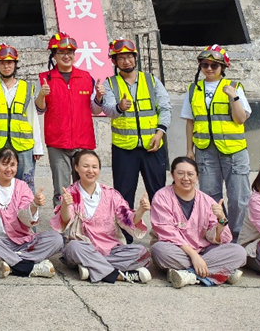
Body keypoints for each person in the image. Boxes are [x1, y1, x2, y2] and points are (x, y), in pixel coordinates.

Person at [93, 38, 171, 235]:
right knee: (123, 196)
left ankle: (164, 236)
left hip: (152, 146)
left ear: (136, 58)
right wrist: (120, 107)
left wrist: (160, 133)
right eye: (121, 58)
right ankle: (125, 238)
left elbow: (165, 108)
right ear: (114, 61)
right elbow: (108, 110)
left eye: (129, 57)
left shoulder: (151, 81)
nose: (126, 61)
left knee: (159, 195)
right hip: (124, 149)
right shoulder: (110, 84)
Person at [182, 45, 251, 240]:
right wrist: (189, 150)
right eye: (205, 65)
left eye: (214, 65)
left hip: (234, 151)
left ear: (223, 67)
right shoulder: (194, 89)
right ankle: (219, 235)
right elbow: (190, 121)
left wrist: (234, 97)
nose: (209, 69)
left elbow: (240, 119)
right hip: (205, 151)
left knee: (238, 198)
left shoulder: (234, 87)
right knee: (210, 196)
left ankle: (239, 238)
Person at [51, 149, 151, 284]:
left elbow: (127, 219)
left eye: (94, 167)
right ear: (76, 167)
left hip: (111, 249)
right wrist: (64, 205)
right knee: (73, 247)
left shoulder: (111, 194)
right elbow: (65, 220)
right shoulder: (71, 193)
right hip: (85, 248)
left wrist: (141, 211)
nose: (90, 171)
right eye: (85, 166)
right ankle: (117, 275)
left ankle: (91, 268)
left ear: (99, 169)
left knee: (142, 252)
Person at [149, 156, 247, 287]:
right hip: (177, 251)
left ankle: (188, 274)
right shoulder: (162, 197)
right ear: (172, 175)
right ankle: (219, 272)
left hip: (205, 250)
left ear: (197, 177)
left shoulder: (207, 200)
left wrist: (221, 220)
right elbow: (167, 232)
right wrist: (194, 256)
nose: (186, 178)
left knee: (239, 252)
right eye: (180, 173)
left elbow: (219, 239)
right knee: (159, 250)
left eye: (190, 174)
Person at [0, 147, 62, 278]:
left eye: (12, 165)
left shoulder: (22, 186)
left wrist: (34, 204)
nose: (9, 169)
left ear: (17, 166)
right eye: (4, 164)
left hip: (21, 243)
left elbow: (25, 218)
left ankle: (7, 262)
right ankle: (26, 266)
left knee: (57, 239)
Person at [37, 33, 102, 207]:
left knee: (85, 188)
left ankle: (84, 220)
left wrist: (99, 97)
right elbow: (40, 109)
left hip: (83, 142)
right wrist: (42, 95)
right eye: (61, 53)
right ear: (54, 55)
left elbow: (95, 110)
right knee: (62, 190)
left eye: (70, 52)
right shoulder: (45, 78)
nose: (66, 56)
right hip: (57, 143)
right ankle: (62, 222)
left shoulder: (86, 77)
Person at [0, 44, 43, 189]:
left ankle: (26, 205)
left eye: (9, 62)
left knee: (25, 185)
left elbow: (33, 118)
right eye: (2, 63)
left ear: (15, 64)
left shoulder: (27, 87)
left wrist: (37, 147)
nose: (6, 66)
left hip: (23, 145)